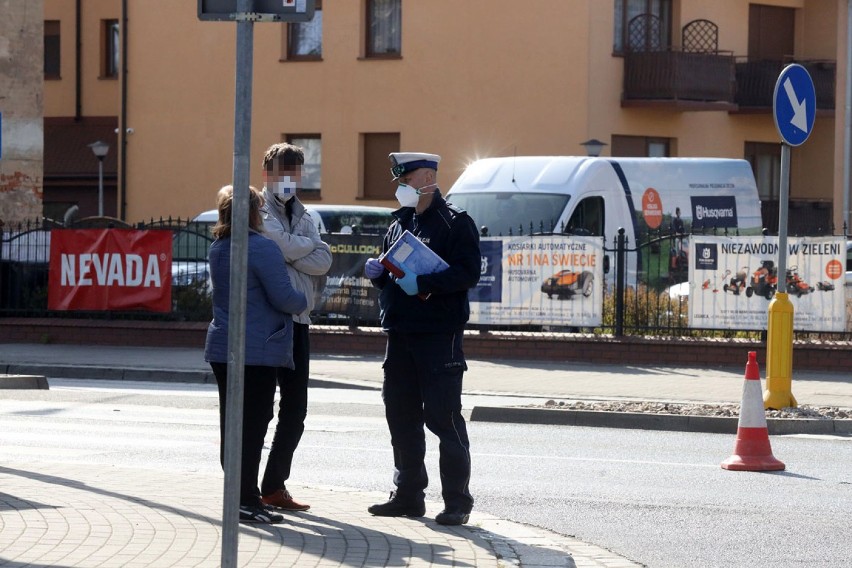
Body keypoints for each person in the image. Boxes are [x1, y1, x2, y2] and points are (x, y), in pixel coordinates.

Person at [363, 152, 481, 526]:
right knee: (401, 416)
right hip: (400, 333)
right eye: (400, 181)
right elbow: (392, 265)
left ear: (428, 177)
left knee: (444, 418)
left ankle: (457, 502)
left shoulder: (456, 223)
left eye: (407, 180)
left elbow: (468, 273)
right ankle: (409, 495)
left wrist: (425, 283)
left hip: (437, 335)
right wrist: (379, 273)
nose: (401, 188)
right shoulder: (400, 223)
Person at [204, 185, 307, 524]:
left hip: (224, 347)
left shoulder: (219, 247)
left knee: (232, 424)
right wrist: (303, 300)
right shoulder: (261, 247)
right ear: (252, 213)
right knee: (253, 425)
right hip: (258, 350)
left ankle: (237, 494)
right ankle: (245, 499)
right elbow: (284, 297)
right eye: (261, 209)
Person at [258, 142, 332, 512]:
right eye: (282, 172)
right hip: (270, 320)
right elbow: (276, 245)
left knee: (296, 410)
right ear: (268, 174)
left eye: (295, 173)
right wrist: (299, 250)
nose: (289, 179)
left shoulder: (305, 214)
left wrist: (293, 250)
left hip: (300, 321)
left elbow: (324, 260)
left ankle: (273, 485)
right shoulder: (259, 211)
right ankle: (244, 488)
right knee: (260, 409)